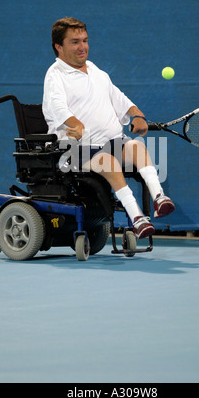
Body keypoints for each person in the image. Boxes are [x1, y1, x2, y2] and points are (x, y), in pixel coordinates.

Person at [42, 17, 175, 239]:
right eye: (74, 42)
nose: (82, 47)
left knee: (137, 148)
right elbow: (56, 106)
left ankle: (159, 198)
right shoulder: (55, 75)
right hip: (76, 151)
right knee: (109, 161)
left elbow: (120, 98)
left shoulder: (95, 70)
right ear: (59, 47)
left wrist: (137, 114)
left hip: (112, 142)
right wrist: (73, 123)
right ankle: (137, 218)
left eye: (85, 40)